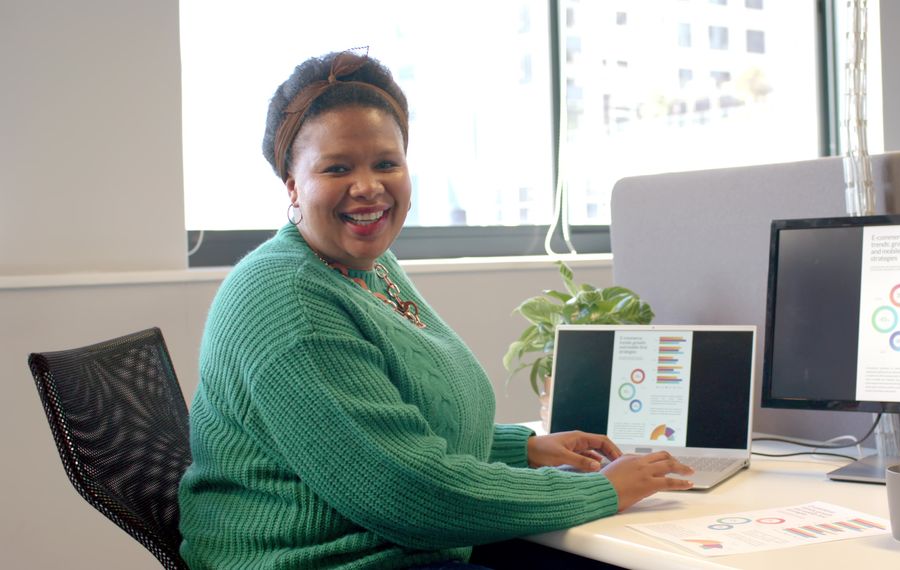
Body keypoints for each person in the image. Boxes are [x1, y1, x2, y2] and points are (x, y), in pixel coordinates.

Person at [177, 49, 694, 570]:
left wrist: (523, 449)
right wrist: (604, 490)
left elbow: (392, 431)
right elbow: (403, 493)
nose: (368, 187)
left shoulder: (367, 265)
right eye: (337, 168)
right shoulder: (289, 299)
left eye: (386, 163)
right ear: (293, 184)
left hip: (393, 542)